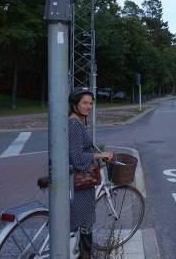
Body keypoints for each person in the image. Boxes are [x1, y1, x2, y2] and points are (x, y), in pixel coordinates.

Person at [68, 87, 113, 258]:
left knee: (78, 220)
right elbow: (78, 159)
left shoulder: (77, 123)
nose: (89, 107)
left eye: (91, 103)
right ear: (74, 105)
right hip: (80, 182)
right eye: (85, 103)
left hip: (79, 182)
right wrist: (100, 155)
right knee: (85, 222)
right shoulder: (74, 125)